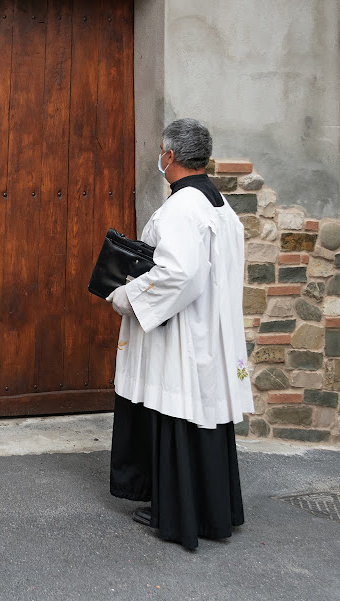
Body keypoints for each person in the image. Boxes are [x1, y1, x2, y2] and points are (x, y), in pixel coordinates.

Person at [106, 118, 254, 549]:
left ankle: (180, 513)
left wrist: (128, 297)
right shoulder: (219, 206)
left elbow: (180, 273)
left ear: (169, 156)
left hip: (185, 335)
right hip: (209, 328)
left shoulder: (182, 207)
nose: (159, 155)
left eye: (160, 149)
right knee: (204, 419)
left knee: (180, 413)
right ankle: (212, 510)